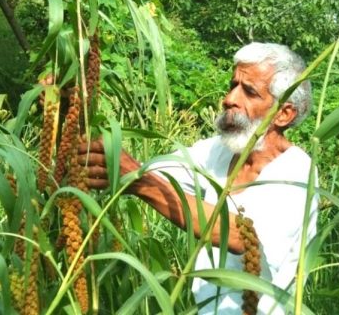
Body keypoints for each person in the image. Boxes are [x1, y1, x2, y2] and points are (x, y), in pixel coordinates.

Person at [78, 42, 319, 314]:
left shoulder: (296, 172)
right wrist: (74, 107)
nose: (229, 99)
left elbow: (240, 235)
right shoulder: (220, 151)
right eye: (233, 86)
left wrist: (139, 181)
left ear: (284, 114)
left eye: (249, 92)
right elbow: (150, 172)